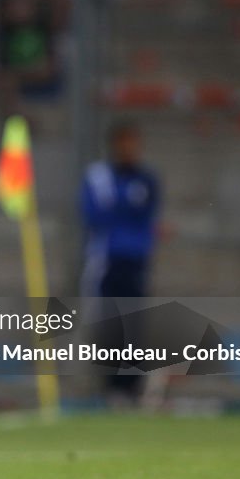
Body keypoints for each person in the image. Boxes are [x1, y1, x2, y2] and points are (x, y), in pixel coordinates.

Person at [80, 120, 161, 402]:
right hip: (108, 260)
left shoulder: (146, 180)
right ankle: (111, 386)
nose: (129, 149)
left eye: (133, 142)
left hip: (135, 259)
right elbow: (95, 216)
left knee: (134, 321)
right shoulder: (100, 178)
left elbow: (143, 214)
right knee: (110, 321)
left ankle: (133, 386)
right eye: (124, 142)